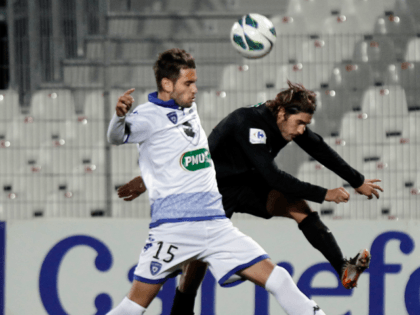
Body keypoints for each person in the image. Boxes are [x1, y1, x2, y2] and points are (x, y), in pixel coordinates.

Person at [118, 80, 383, 314]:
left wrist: (357, 180)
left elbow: (319, 148)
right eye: (300, 123)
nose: (302, 130)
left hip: (246, 185)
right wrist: (325, 194)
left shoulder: (285, 123)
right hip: (212, 192)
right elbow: (274, 178)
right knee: (196, 262)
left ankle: (342, 268)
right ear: (281, 112)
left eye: (306, 124)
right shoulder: (248, 123)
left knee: (297, 206)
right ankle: (181, 309)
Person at [106, 48, 326, 315]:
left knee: (278, 278)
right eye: (188, 83)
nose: (195, 89)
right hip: (174, 228)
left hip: (215, 224)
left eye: (195, 81)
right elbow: (117, 137)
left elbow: (183, 156)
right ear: (167, 84)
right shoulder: (146, 116)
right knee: (132, 307)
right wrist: (119, 117)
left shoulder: (188, 107)